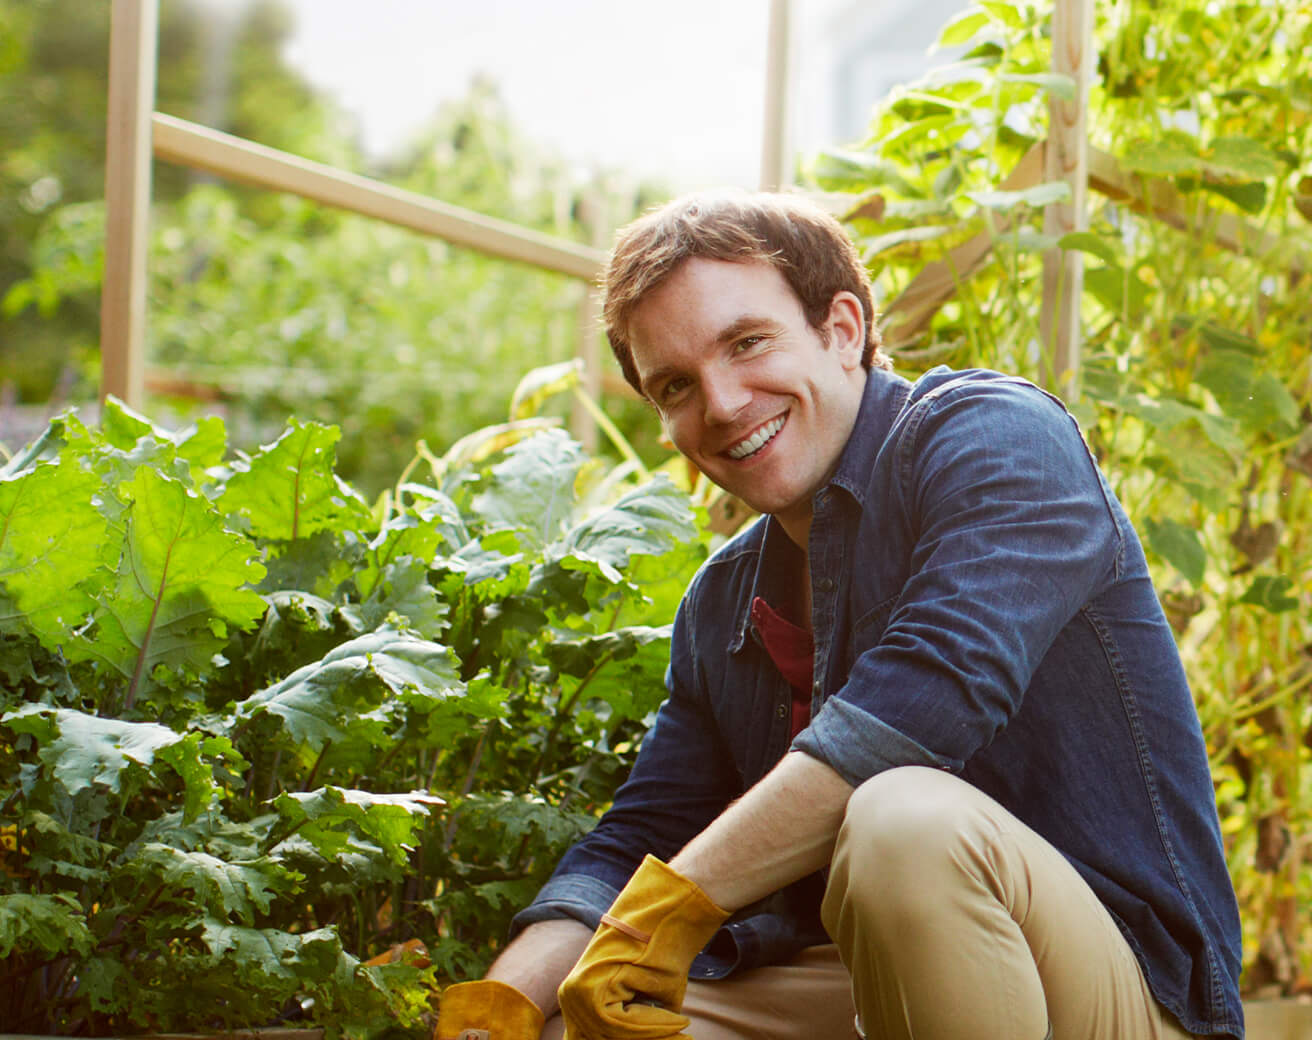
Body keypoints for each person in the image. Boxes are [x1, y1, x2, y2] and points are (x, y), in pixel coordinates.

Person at [429, 190, 1245, 1040]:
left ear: (844, 329)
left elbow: (925, 700)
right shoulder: (724, 602)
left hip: (1116, 991)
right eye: (676, 385)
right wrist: (510, 1003)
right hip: (860, 989)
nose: (723, 402)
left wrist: (656, 922)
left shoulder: (995, 437)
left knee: (904, 824)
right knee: (584, 1028)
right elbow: (643, 838)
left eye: (746, 343)